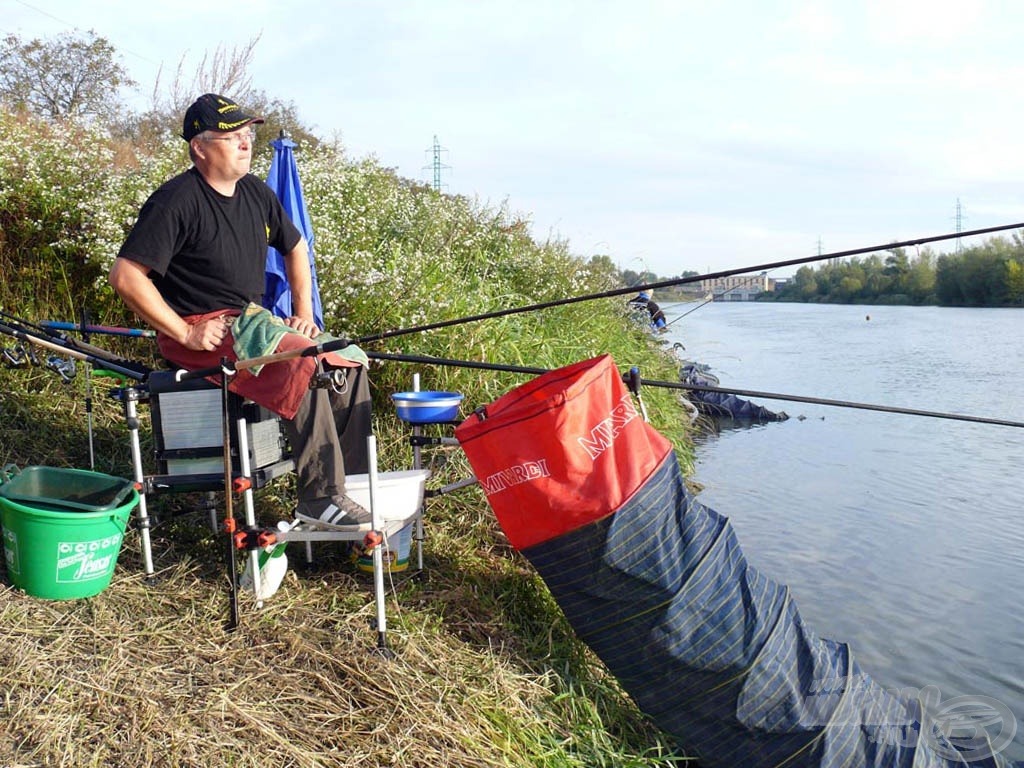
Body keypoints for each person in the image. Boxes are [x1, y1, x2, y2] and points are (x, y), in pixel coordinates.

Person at [109, 93, 372, 530]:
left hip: (251, 322)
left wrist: (304, 310)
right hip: (203, 332)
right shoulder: (175, 200)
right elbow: (126, 276)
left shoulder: (256, 192)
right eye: (233, 136)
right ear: (200, 147)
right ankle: (319, 498)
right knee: (301, 359)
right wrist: (183, 332)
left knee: (348, 360)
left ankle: (355, 488)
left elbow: (296, 246)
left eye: (248, 134)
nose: (246, 143)